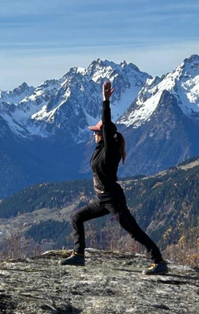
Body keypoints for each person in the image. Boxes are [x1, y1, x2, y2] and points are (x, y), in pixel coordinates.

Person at [60, 80, 168, 275]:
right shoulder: (100, 149)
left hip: (113, 200)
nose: (93, 135)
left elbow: (107, 123)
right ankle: (78, 255)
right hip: (103, 200)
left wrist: (106, 101)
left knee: (133, 231)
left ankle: (158, 261)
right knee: (77, 217)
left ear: (103, 134)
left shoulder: (109, 150)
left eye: (96, 132)